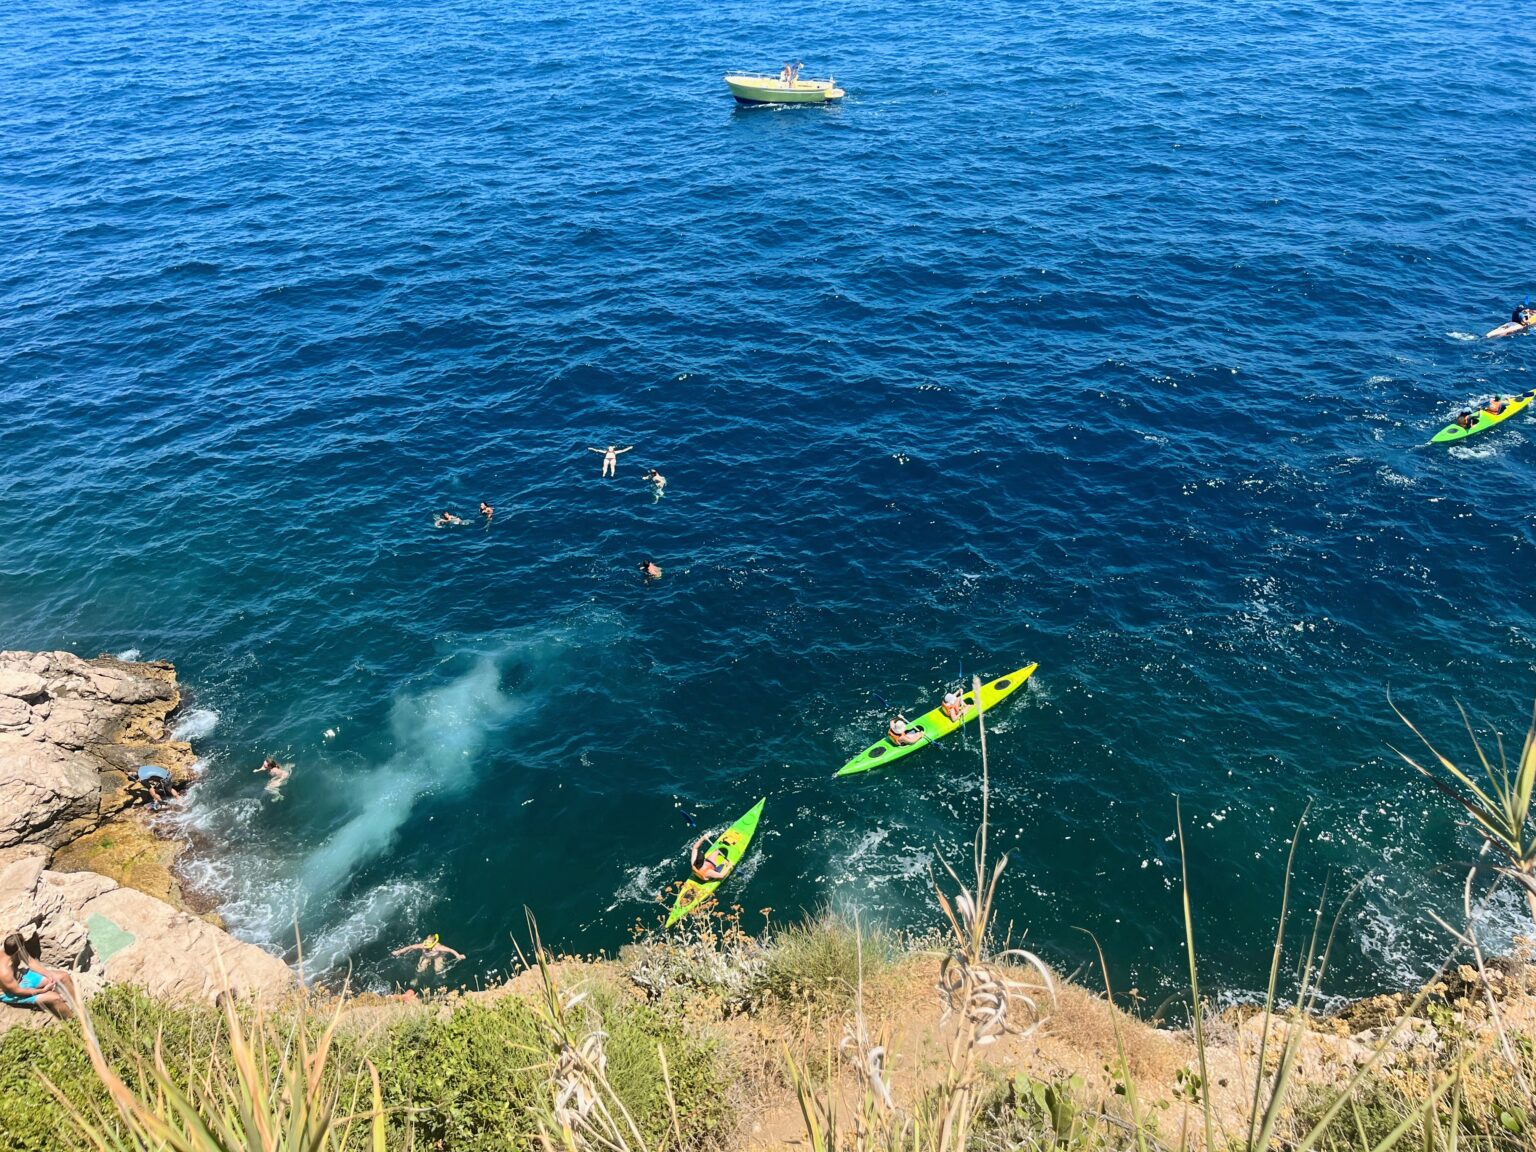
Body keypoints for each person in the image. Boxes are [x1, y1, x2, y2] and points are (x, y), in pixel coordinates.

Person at [0, 933, 76, 1019]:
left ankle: (79, 1008)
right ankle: (74, 1022)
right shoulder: (4, 971)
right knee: (55, 998)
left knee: (63, 976)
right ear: (18, 950)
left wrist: (49, 975)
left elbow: (29, 961)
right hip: (12, 992)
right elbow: (18, 991)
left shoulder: (13, 948)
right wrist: (43, 990)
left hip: (22, 976)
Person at [392, 933, 465, 975]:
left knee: (438, 970)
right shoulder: (422, 946)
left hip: (437, 957)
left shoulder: (438, 947)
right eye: (426, 942)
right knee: (420, 970)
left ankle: (442, 978)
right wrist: (398, 952)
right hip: (426, 957)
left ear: (433, 943)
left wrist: (458, 955)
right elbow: (410, 947)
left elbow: (450, 950)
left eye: (428, 943)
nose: (426, 946)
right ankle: (416, 979)